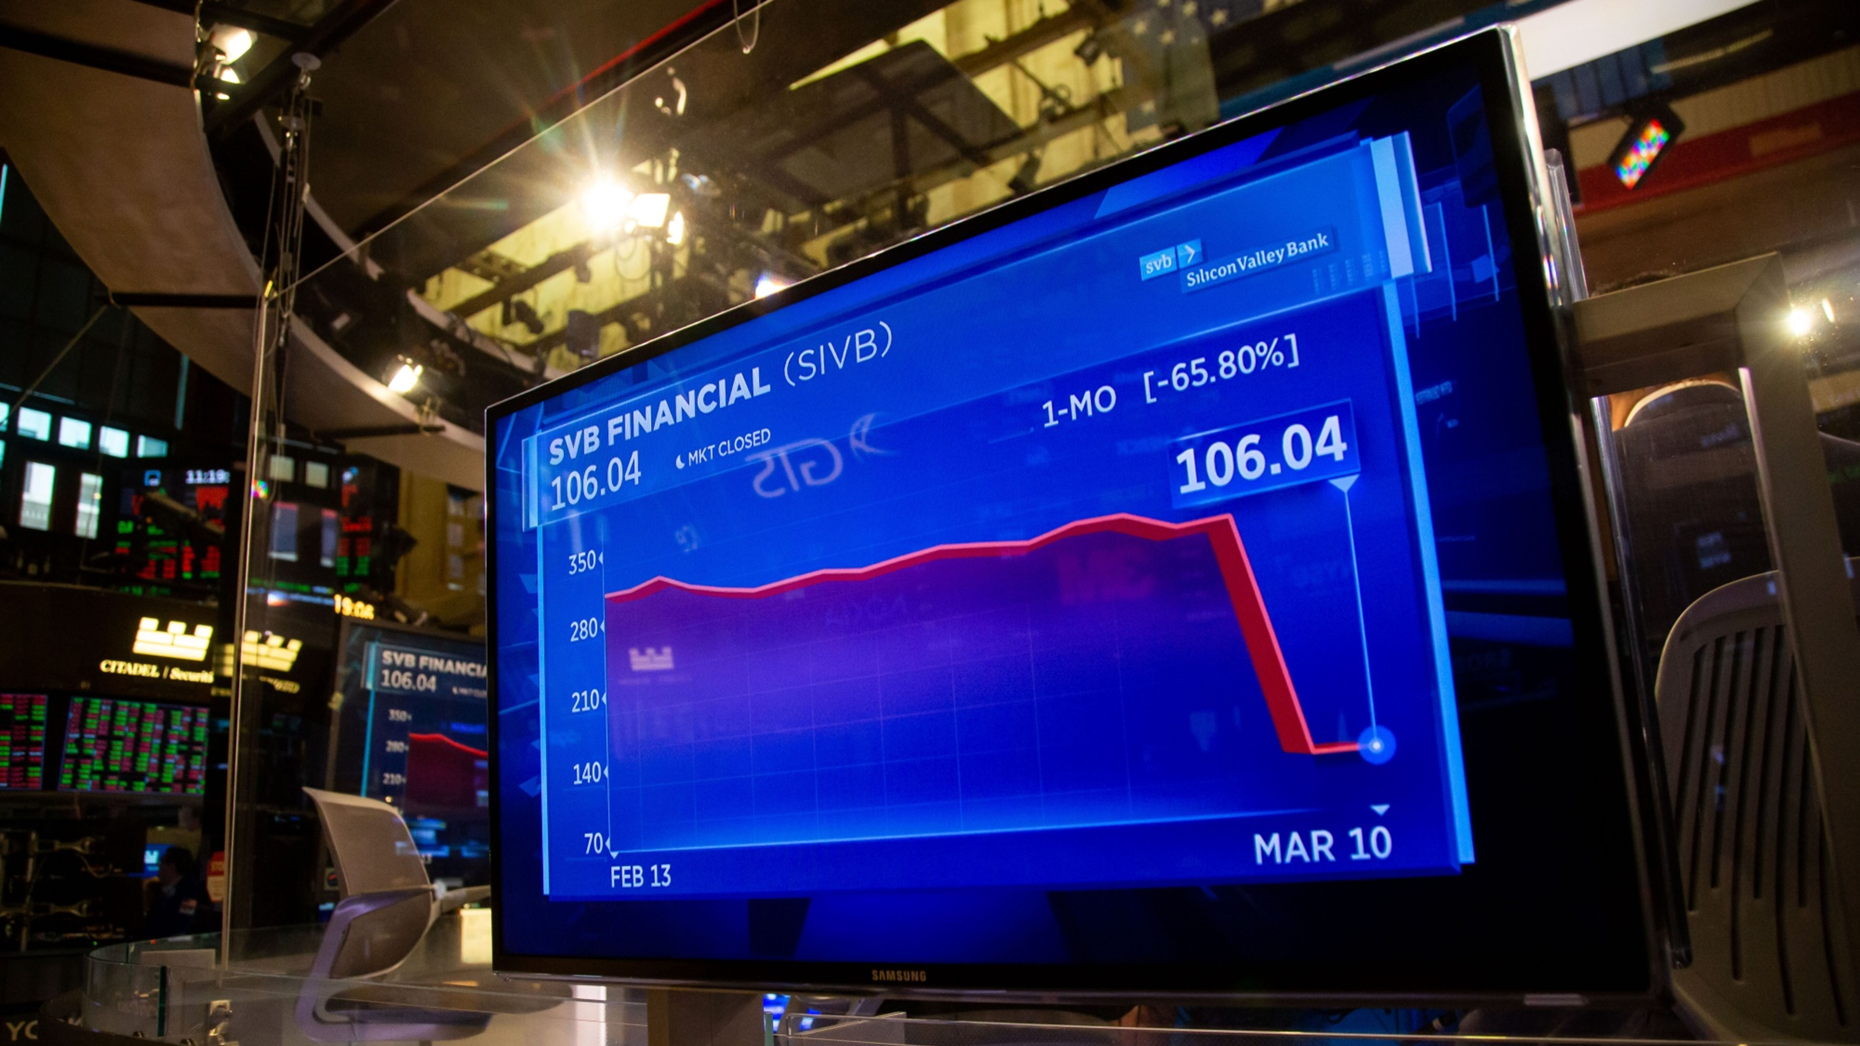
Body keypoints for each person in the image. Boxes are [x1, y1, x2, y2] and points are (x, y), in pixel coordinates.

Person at [144, 845, 206, 938]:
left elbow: (181, 925)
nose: (159, 866)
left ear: (172, 867)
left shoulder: (189, 892)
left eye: (161, 862)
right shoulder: (165, 891)